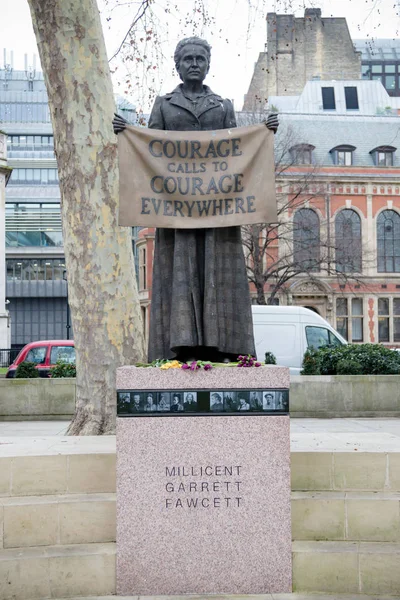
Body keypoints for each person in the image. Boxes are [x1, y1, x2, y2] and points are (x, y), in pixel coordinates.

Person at [113, 37, 278, 363]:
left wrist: (264, 130)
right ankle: (182, 346)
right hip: (177, 214)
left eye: (199, 59)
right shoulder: (163, 105)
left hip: (218, 212)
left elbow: (238, 151)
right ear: (178, 65)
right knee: (181, 271)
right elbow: (150, 149)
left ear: (207, 64)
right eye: (187, 59)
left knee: (219, 272)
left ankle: (225, 346)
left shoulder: (223, 106)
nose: (193, 64)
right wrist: (129, 131)